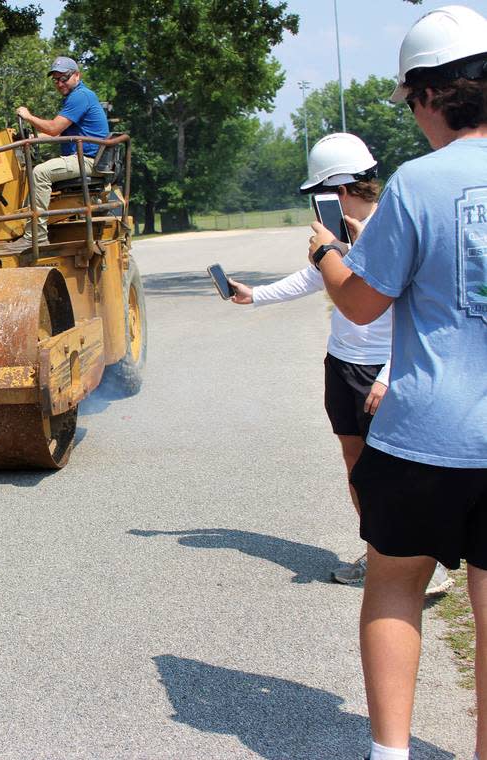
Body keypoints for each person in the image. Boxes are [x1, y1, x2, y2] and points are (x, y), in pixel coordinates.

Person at [307, 6, 487, 758]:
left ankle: (389, 753)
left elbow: (361, 300)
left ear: (428, 96)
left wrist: (324, 253)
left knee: (393, 584)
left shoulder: (416, 184)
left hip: (422, 433)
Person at [227, 134, 451, 595]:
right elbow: (314, 278)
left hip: (386, 371)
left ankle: (428, 563)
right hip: (344, 365)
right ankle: (378, 553)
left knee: (398, 471)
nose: (315, 206)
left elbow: (419, 310)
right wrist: (255, 295)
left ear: (341, 190)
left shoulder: (394, 226)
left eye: (319, 195)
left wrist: (391, 374)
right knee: (357, 465)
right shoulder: (339, 236)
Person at [15, 56, 109, 245]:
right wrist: (33, 139)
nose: (59, 83)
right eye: (56, 80)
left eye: (63, 78)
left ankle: (36, 237)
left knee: (40, 173)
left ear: (76, 75)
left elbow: (53, 128)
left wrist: (28, 116)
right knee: (39, 172)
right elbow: (58, 133)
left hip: (89, 160)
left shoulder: (80, 96)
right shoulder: (75, 97)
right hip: (86, 158)